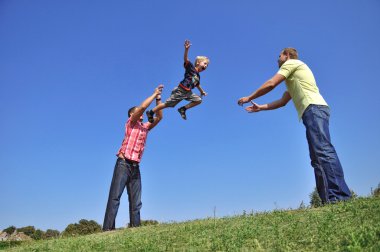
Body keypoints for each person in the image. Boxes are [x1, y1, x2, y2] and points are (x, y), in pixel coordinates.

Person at [237, 48, 351, 204]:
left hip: (314, 108)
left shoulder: (291, 63)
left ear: (287, 55)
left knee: (323, 151)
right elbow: (283, 101)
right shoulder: (294, 77)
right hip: (311, 111)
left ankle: (340, 197)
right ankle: (328, 201)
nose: (278, 59)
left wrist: (249, 96)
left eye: (280, 56)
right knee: (316, 158)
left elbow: (271, 84)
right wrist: (260, 107)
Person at [103, 84, 164, 231]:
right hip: (123, 164)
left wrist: (158, 99)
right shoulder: (130, 123)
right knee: (115, 197)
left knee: (136, 202)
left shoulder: (145, 127)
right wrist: (153, 93)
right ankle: (107, 229)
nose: (141, 114)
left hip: (135, 167)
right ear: (132, 115)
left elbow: (160, 116)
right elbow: (142, 107)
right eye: (138, 112)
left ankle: (135, 230)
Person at [146, 40, 209, 121]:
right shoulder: (191, 67)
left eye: (207, 65)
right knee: (167, 104)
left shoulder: (198, 76)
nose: (206, 66)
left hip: (188, 92)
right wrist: (186, 50)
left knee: (198, 100)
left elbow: (197, 84)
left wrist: (202, 91)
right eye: (205, 63)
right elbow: (186, 59)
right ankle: (151, 112)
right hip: (181, 90)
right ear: (198, 63)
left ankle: (183, 109)